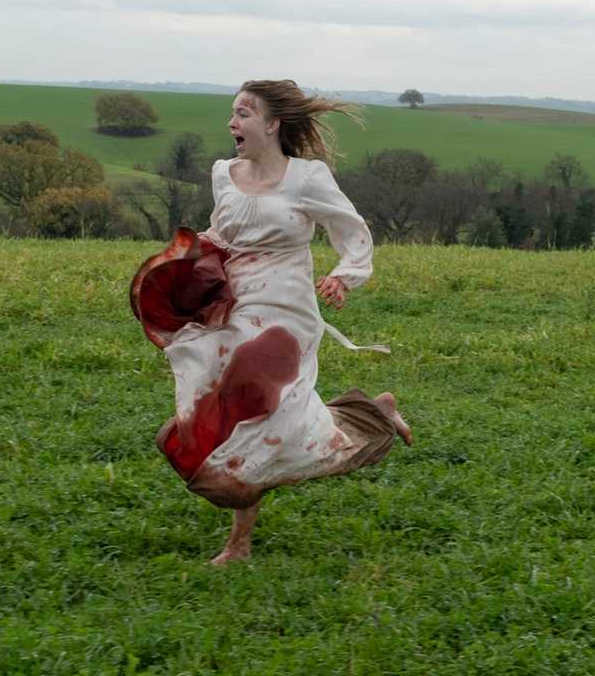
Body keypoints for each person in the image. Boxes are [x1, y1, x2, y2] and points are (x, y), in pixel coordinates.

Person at [130, 79, 412, 565]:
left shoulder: (307, 178)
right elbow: (222, 231)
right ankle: (373, 415)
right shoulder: (225, 173)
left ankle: (240, 540)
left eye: (242, 113)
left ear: (272, 124)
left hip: (284, 309)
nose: (232, 123)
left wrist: (344, 275)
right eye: (232, 114)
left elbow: (350, 229)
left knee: (256, 399)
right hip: (233, 303)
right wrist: (182, 263)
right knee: (244, 420)